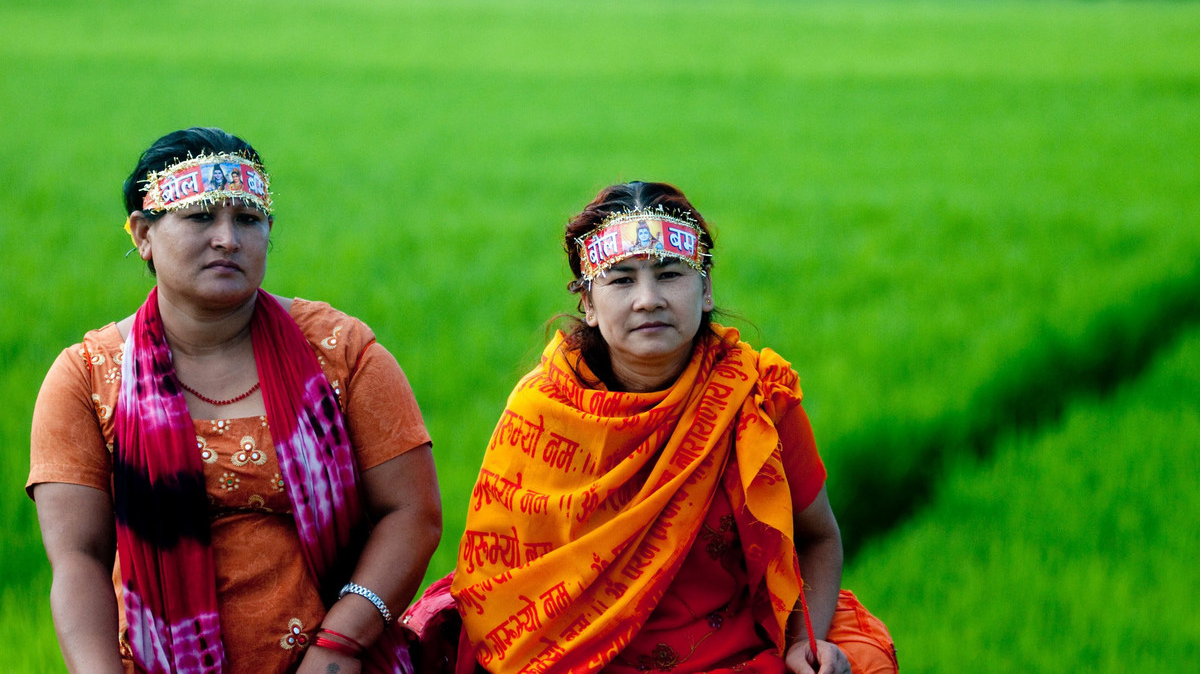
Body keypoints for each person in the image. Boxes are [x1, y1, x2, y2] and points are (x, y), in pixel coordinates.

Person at [28, 127, 441, 674]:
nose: (228, 238)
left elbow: (412, 513)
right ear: (143, 235)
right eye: (200, 216)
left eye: (248, 219)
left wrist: (339, 649)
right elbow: (78, 560)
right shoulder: (87, 376)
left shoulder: (341, 351)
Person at [447, 182, 897, 673]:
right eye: (621, 280)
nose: (648, 300)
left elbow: (818, 539)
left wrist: (799, 643)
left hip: (740, 657)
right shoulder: (542, 414)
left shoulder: (758, 396)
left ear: (704, 291)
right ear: (588, 306)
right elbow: (504, 587)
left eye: (669, 275)